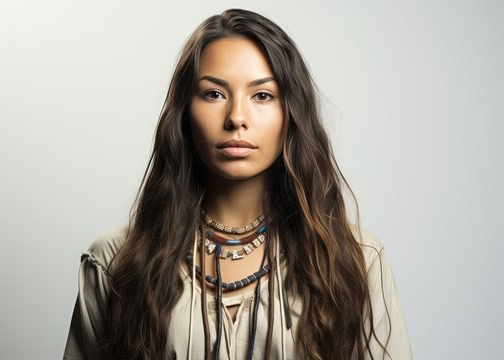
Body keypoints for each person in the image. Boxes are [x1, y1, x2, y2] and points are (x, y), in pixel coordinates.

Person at [63, 8, 412, 360]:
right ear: (184, 112)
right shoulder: (115, 261)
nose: (236, 118)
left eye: (262, 96)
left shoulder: (355, 259)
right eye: (214, 94)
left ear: (291, 113)